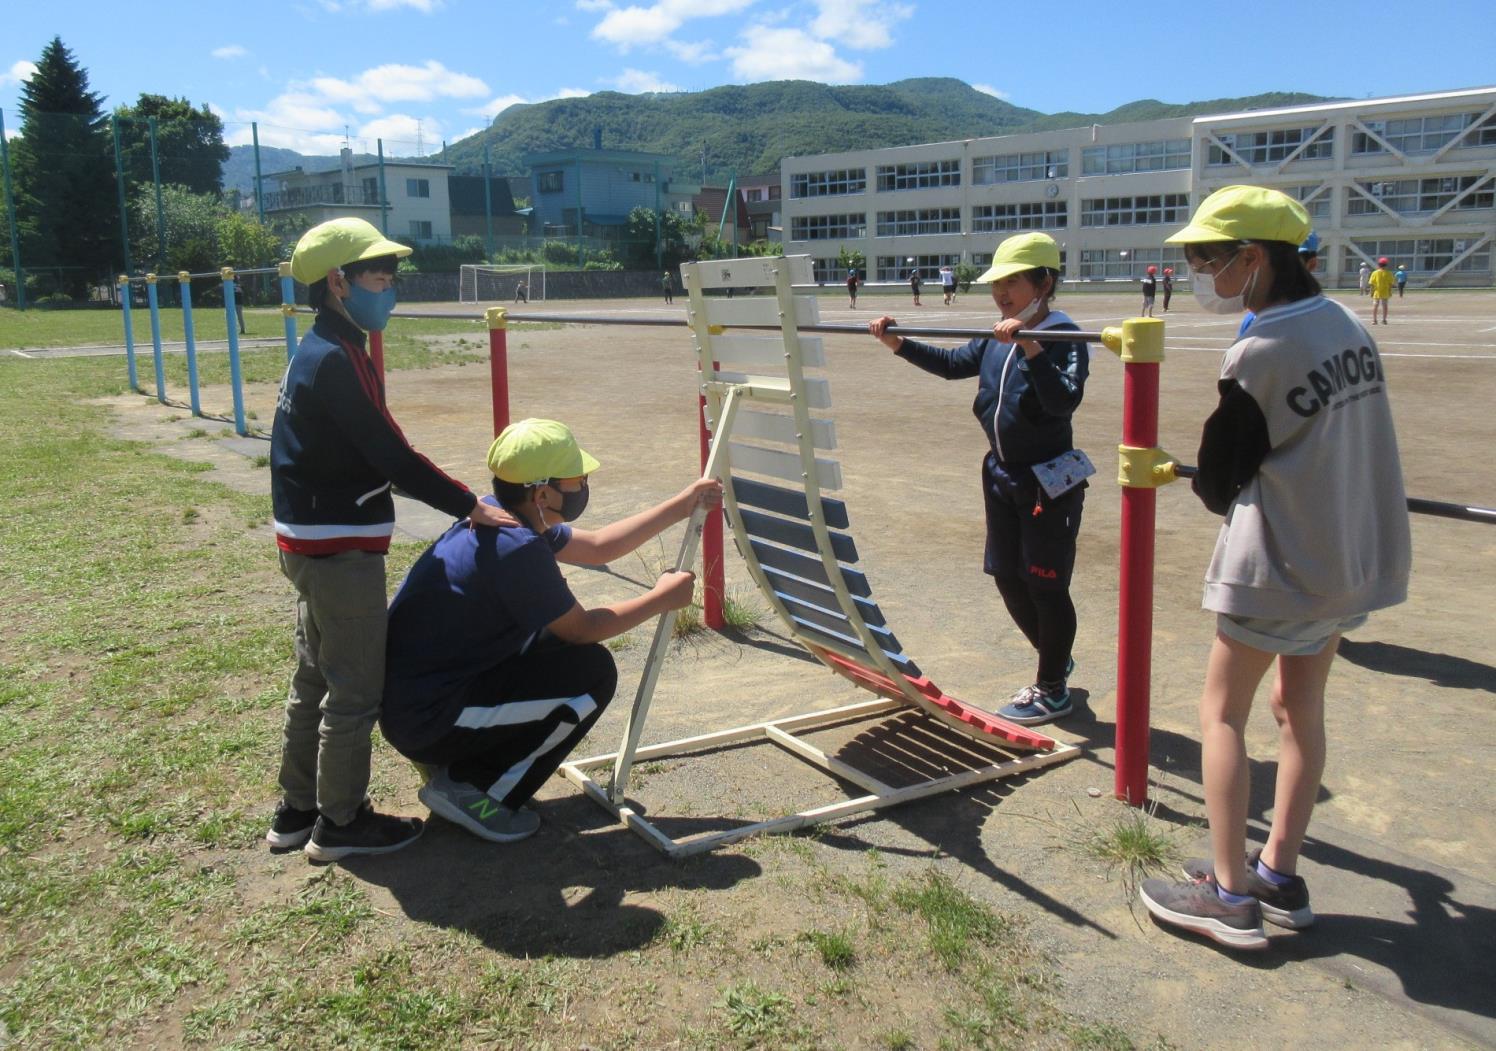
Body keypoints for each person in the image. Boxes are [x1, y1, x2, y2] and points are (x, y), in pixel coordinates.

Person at [1140, 185, 1411, 950]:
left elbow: (1221, 481)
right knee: (1300, 712)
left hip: (1279, 563)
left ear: (1254, 258)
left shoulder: (1260, 348)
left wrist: (1182, 470)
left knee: (1221, 714)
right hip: (1345, 559)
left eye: (1206, 258)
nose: (1198, 272)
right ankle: (1278, 871)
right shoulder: (1345, 322)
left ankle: (1228, 894)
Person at [266, 217, 512, 862]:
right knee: (353, 691)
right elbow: (392, 457)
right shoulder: (335, 360)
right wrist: (469, 506)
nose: (392, 290)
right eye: (380, 276)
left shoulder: (326, 347)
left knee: (316, 678)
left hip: (311, 540)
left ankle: (297, 809)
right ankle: (340, 824)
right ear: (339, 283)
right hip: (337, 549)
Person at [380, 419, 721, 843]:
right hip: (428, 718)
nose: (584, 485)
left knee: (553, 649)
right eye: (577, 479)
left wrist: (682, 504)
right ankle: (476, 789)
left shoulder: (502, 519)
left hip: (416, 704)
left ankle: (457, 765)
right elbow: (583, 628)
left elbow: (598, 547)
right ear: (542, 493)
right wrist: (660, 598)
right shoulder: (517, 549)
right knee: (590, 676)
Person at [867, 232, 1089, 726]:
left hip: (1047, 481)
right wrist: (897, 343)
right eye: (997, 283)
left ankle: (1053, 687)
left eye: (1013, 281)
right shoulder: (997, 335)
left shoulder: (1062, 334)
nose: (1002, 292)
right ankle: (1056, 657)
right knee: (1008, 577)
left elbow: (1063, 402)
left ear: (1044, 282)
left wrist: (1032, 348)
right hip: (1001, 475)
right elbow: (951, 365)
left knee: (1046, 585)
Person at [1237, 231, 1319, 339]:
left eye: (1287, 261)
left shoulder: (1325, 319)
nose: (1276, 267)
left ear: (1311, 265)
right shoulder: (1253, 319)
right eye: (1273, 258)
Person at [1368, 256, 1393, 325]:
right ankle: (1384, 320)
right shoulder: (1389, 273)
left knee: (1375, 305)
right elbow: (1390, 284)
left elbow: (1372, 283)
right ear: (1386, 265)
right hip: (1385, 291)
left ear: (1379, 264)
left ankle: (1374, 320)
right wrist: (1390, 291)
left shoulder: (1375, 273)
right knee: (1385, 305)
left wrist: (1371, 291)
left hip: (1377, 291)